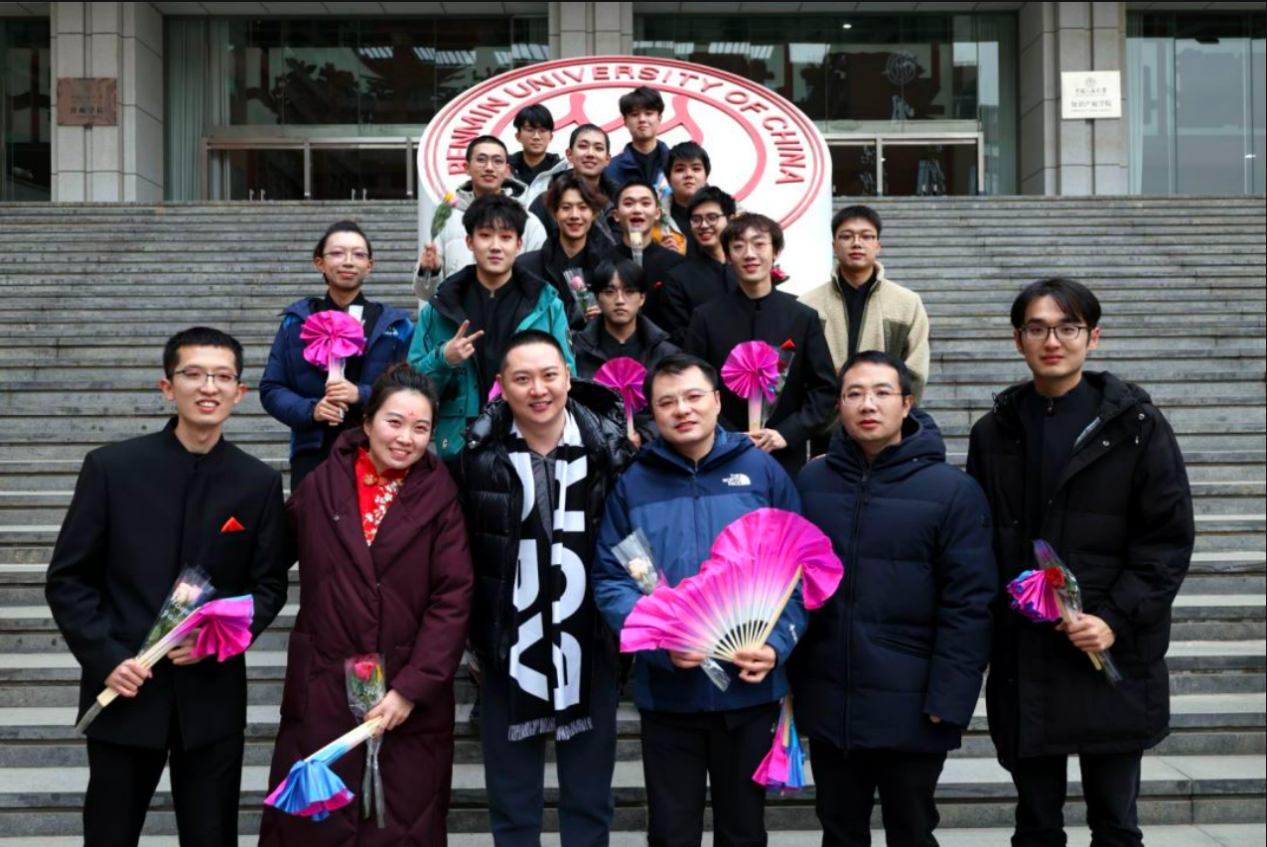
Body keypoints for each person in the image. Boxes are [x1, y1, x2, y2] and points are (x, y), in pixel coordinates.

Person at [966, 279, 1195, 847]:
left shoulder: (1137, 427)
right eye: (1037, 328)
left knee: (1115, 824)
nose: (1053, 341)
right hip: (1027, 653)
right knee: (1036, 824)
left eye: (1067, 328)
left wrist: (1114, 618)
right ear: (1018, 339)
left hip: (1108, 650)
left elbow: (1166, 540)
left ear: (1093, 337)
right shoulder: (994, 431)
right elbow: (981, 541)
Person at [45, 327, 292, 847]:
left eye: (222, 377)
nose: (209, 387)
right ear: (167, 386)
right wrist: (105, 655)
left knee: (212, 836)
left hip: (211, 699)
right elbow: (69, 579)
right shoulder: (111, 468)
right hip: (125, 689)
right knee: (109, 835)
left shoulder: (258, 483)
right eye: (194, 374)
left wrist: (220, 639)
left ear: (240, 392)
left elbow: (269, 586)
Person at [593, 353, 807, 847]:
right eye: (667, 402)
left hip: (750, 690)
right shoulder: (634, 482)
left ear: (716, 399)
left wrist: (776, 644)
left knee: (744, 831)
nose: (682, 410)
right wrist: (658, 643)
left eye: (693, 397)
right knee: (671, 833)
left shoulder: (762, 472)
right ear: (652, 411)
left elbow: (797, 569)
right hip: (669, 695)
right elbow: (612, 578)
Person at [259, 364, 473, 846]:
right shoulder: (322, 483)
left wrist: (411, 688)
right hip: (325, 685)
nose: (406, 438)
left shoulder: (442, 498)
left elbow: (453, 599)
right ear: (368, 421)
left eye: (420, 428)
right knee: (314, 827)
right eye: (394, 422)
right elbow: (267, 555)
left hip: (404, 694)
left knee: (397, 824)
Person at [793, 350, 996, 847]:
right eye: (854, 393)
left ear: (907, 404)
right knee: (839, 832)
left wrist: (949, 697)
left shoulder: (952, 491)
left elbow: (970, 603)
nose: (868, 404)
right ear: (839, 405)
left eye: (882, 392)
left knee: (912, 831)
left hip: (914, 701)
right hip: (832, 699)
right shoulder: (811, 482)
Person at [454, 330, 632, 847]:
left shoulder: (610, 454)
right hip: (508, 644)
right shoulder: (475, 459)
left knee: (589, 799)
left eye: (549, 375)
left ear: (568, 378)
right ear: (501, 385)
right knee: (512, 801)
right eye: (523, 378)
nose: (539, 389)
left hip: (590, 642)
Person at [409, 194, 576, 461]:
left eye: (506, 237)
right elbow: (411, 390)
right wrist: (443, 359)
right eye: (485, 236)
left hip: (530, 447)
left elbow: (568, 380)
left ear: (519, 244)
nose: (495, 246)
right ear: (469, 242)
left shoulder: (546, 305)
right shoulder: (440, 308)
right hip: (459, 449)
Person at [260, 220, 413, 490]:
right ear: (319, 263)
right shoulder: (296, 322)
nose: (348, 261)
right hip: (313, 453)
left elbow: (412, 391)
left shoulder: (396, 326)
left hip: (378, 451)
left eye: (358, 254)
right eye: (338, 253)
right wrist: (312, 410)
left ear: (370, 265)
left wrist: (361, 394)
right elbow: (272, 388)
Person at [684, 214, 837, 476]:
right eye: (739, 246)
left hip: (784, 454)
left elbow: (824, 390)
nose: (749, 254)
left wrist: (786, 433)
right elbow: (694, 386)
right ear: (728, 256)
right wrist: (727, 435)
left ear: (776, 251)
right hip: (719, 452)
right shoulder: (705, 318)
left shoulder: (802, 317)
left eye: (759, 244)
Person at [800, 204, 930, 403]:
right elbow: (797, 373)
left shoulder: (907, 304)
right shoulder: (808, 304)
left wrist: (894, 413)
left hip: (885, 417)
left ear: (878, 246)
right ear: (834, 246)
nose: (856, 243)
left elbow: (916, 370)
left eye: (866, 236)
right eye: (846, 236)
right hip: (823, 419)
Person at [572, 258, 680, 446]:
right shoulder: (576, 351)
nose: (620, 300)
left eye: (629, 292)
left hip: (654, 451)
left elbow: (677, 405)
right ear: (597, 298)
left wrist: (645, 434)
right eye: (609, 292)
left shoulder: (666, 354)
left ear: (642, 298)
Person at [416, 135, 548, 285]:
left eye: (497, 161)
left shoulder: (529, 222)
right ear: (466, 168)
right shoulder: (448, 220)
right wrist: (430, 271)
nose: (489, 167)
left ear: (507, 170)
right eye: (481, 160)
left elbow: (539, 285)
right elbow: (425, 292)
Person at [515, 173, 615, 328]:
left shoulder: (610, 267)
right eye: (566, 208)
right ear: (554, 214)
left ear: (594, 213)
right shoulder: (526, 267)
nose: (574, 215)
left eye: (583, 207)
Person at [658, 186, 738, 345]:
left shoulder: (747, 269)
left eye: (712, 217)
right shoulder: (677, 278)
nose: (703, 225)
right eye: (696, 219)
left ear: (730, 220)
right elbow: (677, 335)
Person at [525, 123, 620, 244]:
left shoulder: (621, 200)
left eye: (598, 148)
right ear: (569, 154)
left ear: (607, 159)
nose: (590, 154)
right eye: (583, 146)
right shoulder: (545, 202)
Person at [610, 178, 685, 330]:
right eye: (628, 203)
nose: (637, 210)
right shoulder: (603, 261)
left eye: (645, 203)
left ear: (657, 213)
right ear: (616, 215)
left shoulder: (676, 263)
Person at [605, 86, 670, 188]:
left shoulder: (676, 164)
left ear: (659, 118)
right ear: (625, 121)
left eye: (648, 113)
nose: (642, 119)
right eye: (635, 114)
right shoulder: (610, 169)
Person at [662, 141, 711, 255]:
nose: (689, 174)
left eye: (696, 169)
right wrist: (660, 256)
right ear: (668, 179)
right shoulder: (657, 220)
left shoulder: (729, 214)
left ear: (706, 176)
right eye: (680, 169)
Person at [508, 104, 561, 185]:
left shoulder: (561, 170)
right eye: (530, 130)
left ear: (550, 137)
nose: (536, 137)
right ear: (518, 136)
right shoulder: (505, 167)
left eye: (542, 131)